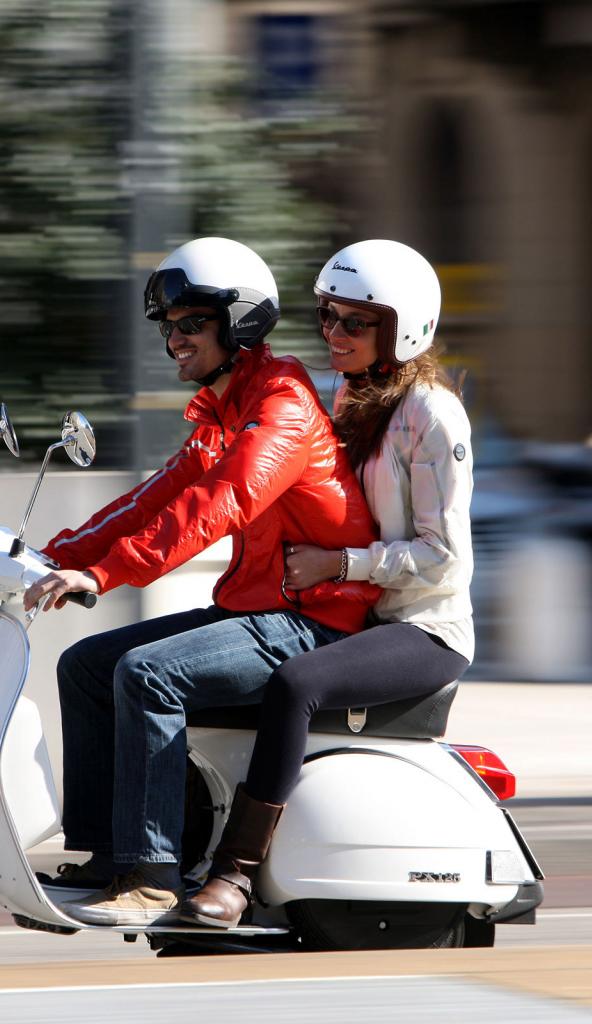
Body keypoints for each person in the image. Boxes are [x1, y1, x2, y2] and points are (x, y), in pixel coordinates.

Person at [23, 236, 379, 927]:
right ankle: (106, 853)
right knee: (88, 664)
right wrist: (50, 554)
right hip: (263, 608)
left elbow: (221, 503)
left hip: (314, 620)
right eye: (167, 326)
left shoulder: (282, 407)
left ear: (239, 322)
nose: (174, 340)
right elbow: (153, 498)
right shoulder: (226, 409)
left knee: (148, 675)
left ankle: (153, 874)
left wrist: (103, 572)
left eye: (191, 323)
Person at [180, 238, 474, 929]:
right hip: (362, 613)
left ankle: (235, 873)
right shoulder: (354, 394)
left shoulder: (431, 414)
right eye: (327, 316)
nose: (335, 333)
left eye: (355, 322)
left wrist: (341, 565)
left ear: (403, 329)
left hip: (423, 628)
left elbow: (444, 558)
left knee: (296, 684)